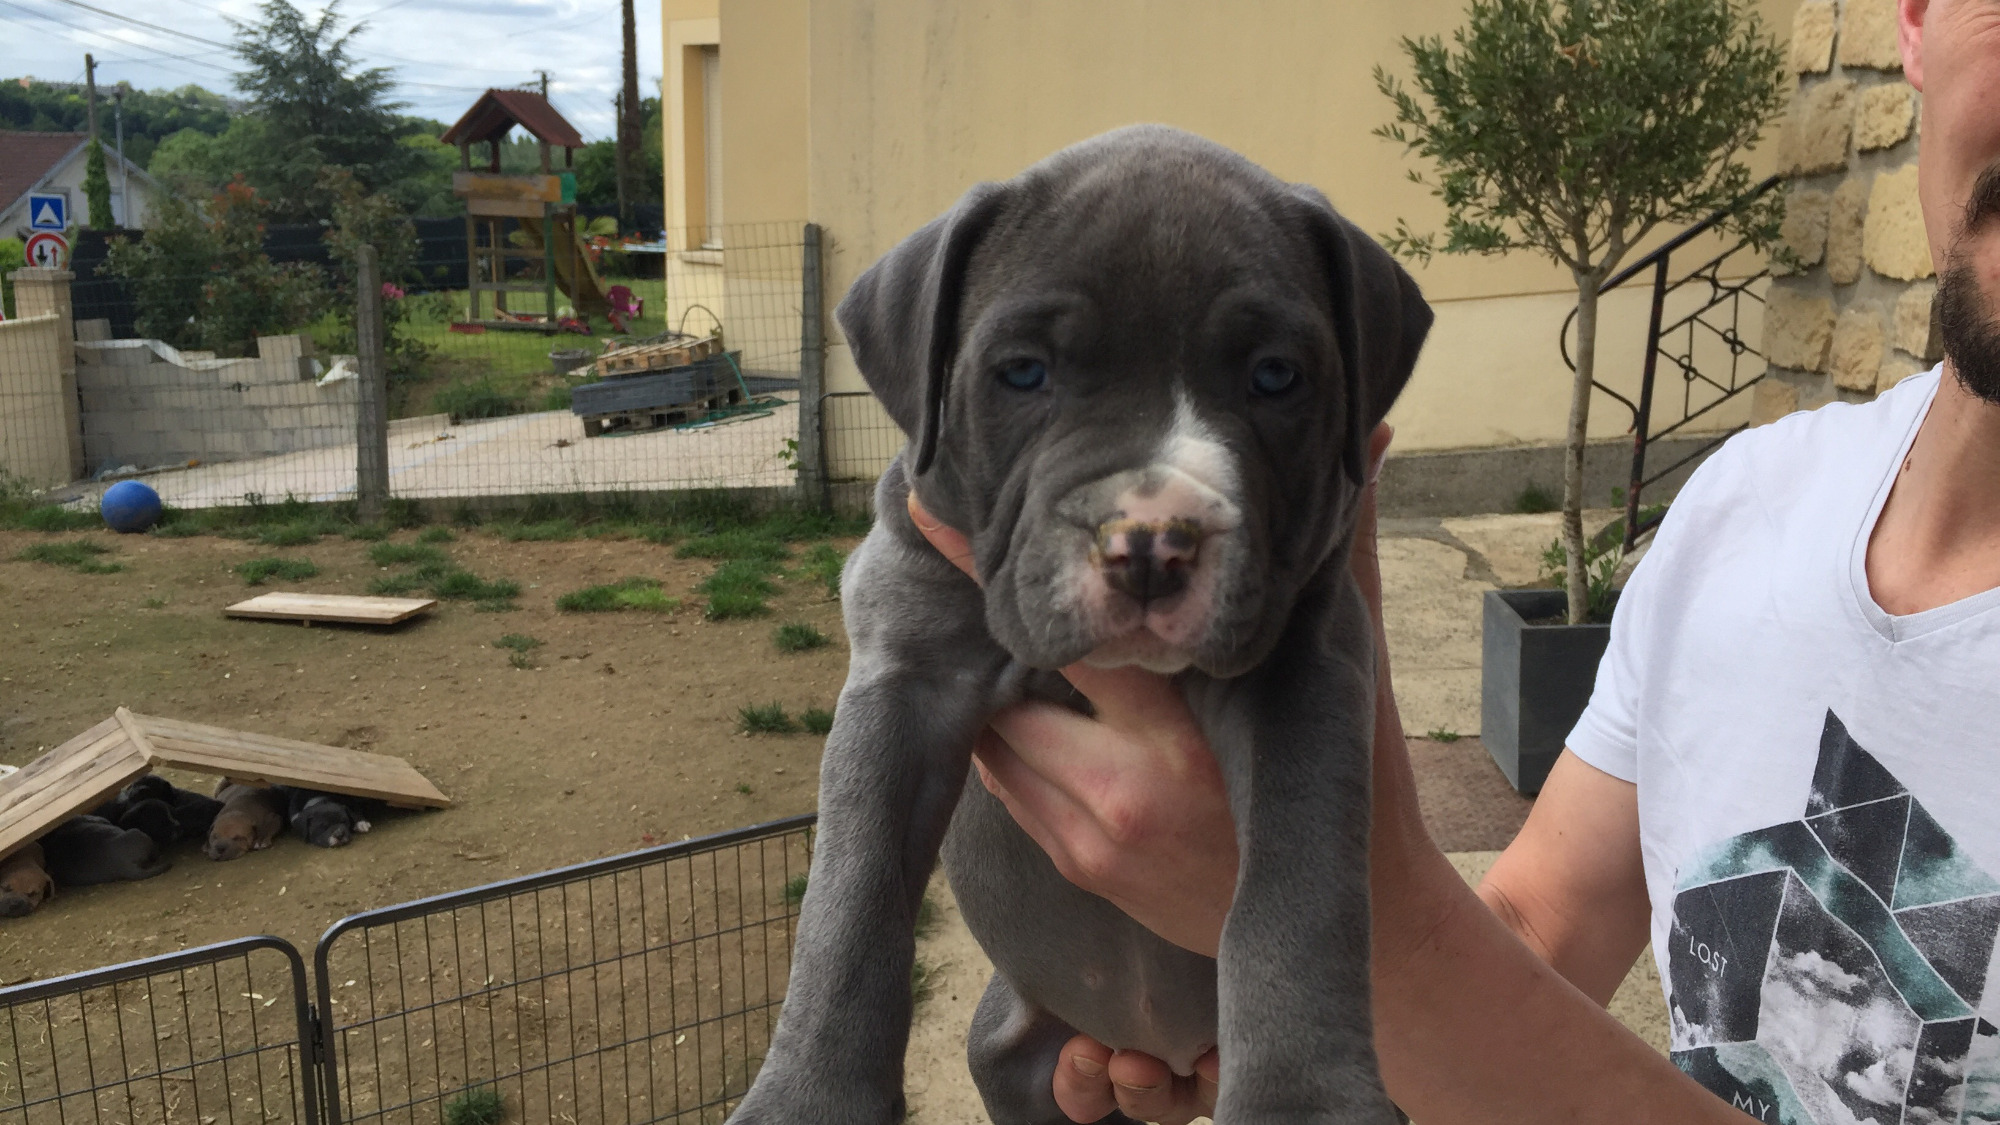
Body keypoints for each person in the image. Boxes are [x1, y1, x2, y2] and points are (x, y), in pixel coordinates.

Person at [907, 1, 2000, 1121]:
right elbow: (1533, 936)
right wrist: (1284, 1010)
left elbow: (1437, 969)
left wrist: (1366, 936)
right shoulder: (1743, 507)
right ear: (1912, 21)